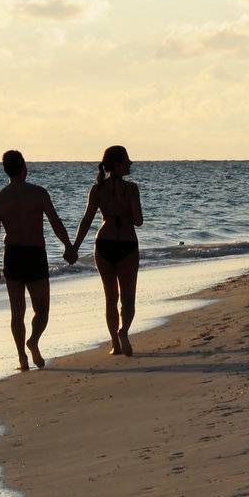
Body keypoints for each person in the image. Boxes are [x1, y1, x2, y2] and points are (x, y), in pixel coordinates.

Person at [0, 150, 75, 370]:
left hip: (13, 255)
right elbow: (55, 222)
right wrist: (68, 246)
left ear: (5, 170)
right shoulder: (38, 193)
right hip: (35, 254)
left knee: (17, 312)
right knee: (42, 311)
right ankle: (33, 341)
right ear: (24, 167)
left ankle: (22, 357)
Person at [69, 145, 143, 357]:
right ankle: (124, 332)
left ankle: (115, 344)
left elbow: (86, 220)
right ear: (117, 164)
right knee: (128, 297)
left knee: (110, 297)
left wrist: (74, 247)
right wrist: (128, 202)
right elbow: (138, 221)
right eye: (127, 161)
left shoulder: (97, 189)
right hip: (127, 244)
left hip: (103, 242)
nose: (130, 164)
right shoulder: (131, 189)